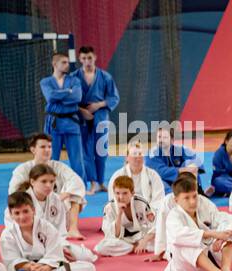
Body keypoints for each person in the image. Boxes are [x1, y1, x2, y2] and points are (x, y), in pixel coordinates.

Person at [0, 192, 95, 271]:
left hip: (49, 269)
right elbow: (11, 260)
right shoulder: (7, 234)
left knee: (89, 268)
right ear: (11, 214)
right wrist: (29, 267)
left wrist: (45, 268)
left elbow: (55, 254)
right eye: (17, 213)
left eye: (25, 211)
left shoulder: (47, 227)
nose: (22, 217)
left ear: (33, 210)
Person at [162, 175, 232, 271]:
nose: (192, 201)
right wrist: (213, 234)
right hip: (187, 268)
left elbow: (220, 218)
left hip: (212, 256)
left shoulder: (203, 202)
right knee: (185, 243)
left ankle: (226, 268)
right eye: (186, 198)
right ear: (176, 200)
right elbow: (178, 236)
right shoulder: (174, 216)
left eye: (194, 196)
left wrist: (222, 237)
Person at [10, 164, 97, 264]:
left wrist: (60, 249)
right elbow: (14, 231)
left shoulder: (56, 200)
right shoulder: (21, 200)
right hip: (26, 247)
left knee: (86, 256)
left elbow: (60, 232)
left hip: (52, 244)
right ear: (32, 182)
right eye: (44, 181)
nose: (48, 185)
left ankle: (52, 262)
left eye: (52, 182)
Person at [9, 133, 87, 239]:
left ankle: (73, 229)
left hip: (56, 209)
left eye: (49, 147)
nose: (47, 150)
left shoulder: (58, 166)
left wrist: (63, 195)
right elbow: (14, 194)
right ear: (33, 149)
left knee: (76, 194)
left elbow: (77, 182)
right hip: (32, 210)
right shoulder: (22, 169)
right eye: (42, 147)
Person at [72, 46, 120, 195]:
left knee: (102, 151)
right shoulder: (73, 78)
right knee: (85, 152)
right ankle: (92, 183)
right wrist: (82, 110)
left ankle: (100, 182)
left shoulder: (105, 77)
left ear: (95, 57)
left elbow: (114, 97)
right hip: (81, 118)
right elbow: (69, 99)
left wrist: (98, 105)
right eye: (84, 58)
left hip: (100, 117)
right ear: (80, 59)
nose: (87, 61)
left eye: (90, 58)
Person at [39, 52, 85, 182]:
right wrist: (67, 92)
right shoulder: (45, 82)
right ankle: (50, 185)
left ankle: (79, 187)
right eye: (64, 62)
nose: (67, 65)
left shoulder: (74, 80)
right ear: (55, 64)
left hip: (71, 123)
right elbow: (50, 97)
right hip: (54, 123)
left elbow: (77, 97)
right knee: (51, 158)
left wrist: (59, 95)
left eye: (68, 62)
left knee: (76, 159)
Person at [94, 175, 158, 257]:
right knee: (101, 248)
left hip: (141, 236)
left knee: (163, 240)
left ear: (132, 193)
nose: (121, 197)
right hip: (123, 240)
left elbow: (155, 226)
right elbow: (113, 234)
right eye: (117, 193)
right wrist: (120, 214)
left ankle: (138, 246)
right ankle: (134, 247)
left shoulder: (141, 203)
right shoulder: (109, 207)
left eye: (125, 193)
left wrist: (144, 241)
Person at [109, 142, 166, 211]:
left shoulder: (153, 175)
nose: (137, 157)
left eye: (140, 154)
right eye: (134, 154)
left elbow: (159, 198)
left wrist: (149, 212)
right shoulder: (118, 176)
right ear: (127, 157)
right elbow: (113, 199)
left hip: (149, 214)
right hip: (125, 212)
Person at [147, 126, 202, 191]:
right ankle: (174, 197)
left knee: (190, 164)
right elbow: (161, 172)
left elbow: (196, 159)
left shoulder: (179, 149)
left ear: (172, 140)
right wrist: (182, 170)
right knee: (161, 184)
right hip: (161, 180)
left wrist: (192, 167)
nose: (161, 140)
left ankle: (196, 190)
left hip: (177, 179)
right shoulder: (151, 154)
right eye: (159, 137)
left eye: (165, 137)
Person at [208, 131, 232, 198]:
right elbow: (218, 173)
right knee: (218, 182)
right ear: (226, 141)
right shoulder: (218, 154)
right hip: (225, 180)